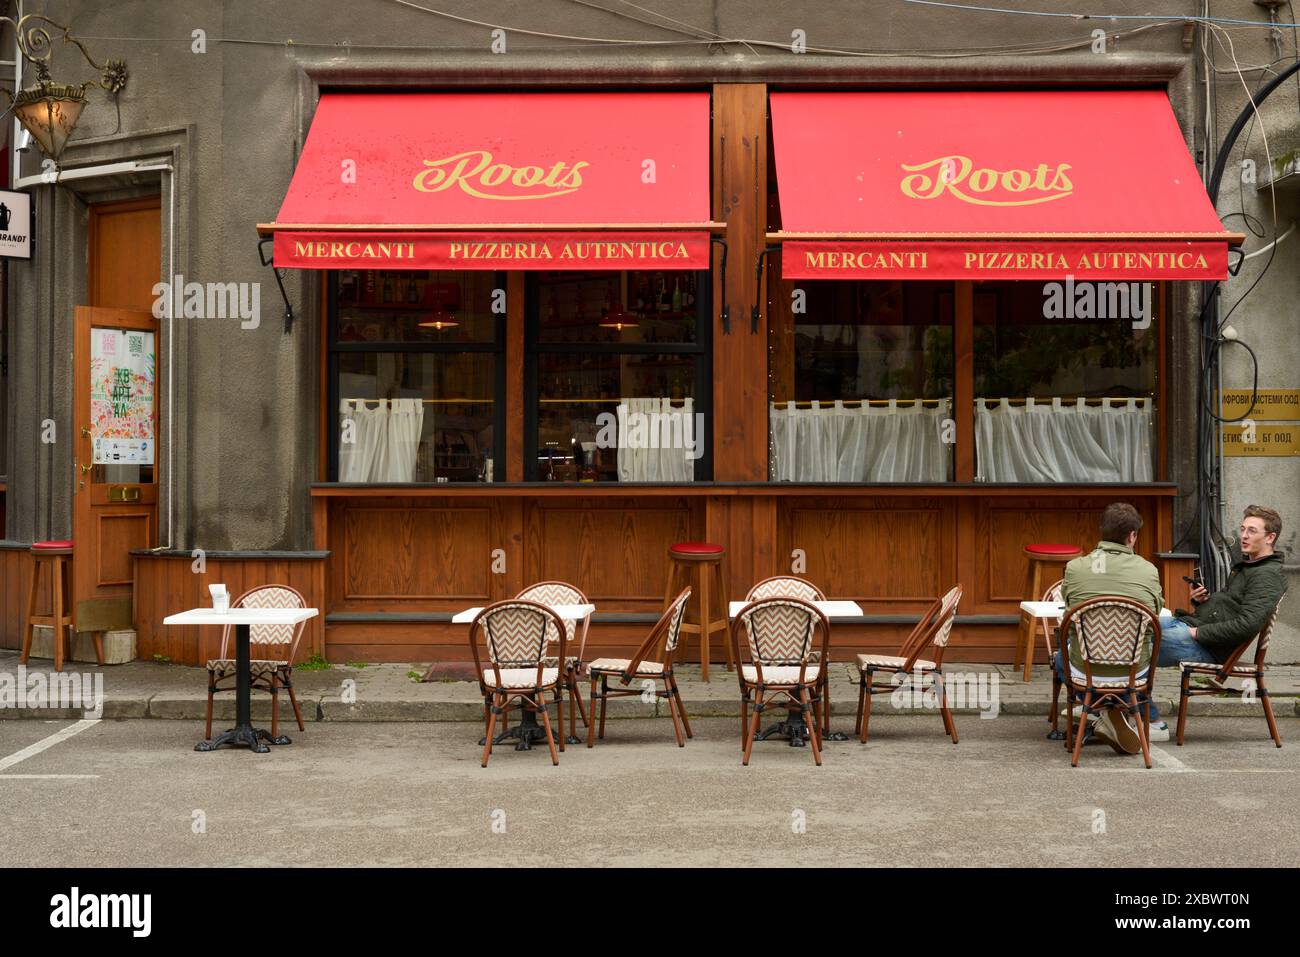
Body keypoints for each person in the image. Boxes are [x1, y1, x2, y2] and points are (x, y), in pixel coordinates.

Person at [1054, 502, 1163, 751]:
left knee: (1061, 657)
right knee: (1146, 645)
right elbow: (1153, 618)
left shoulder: (1075, 568)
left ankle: (1097, 708)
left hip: (1086, 669)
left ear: (1101, 531)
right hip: (1133, 671)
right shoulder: (1148, 571)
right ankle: (1119, 713)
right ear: (1132, 536)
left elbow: (1069, 618)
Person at [1153, 505, 1288, 691]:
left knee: (1137, 640)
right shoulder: (1250, 567)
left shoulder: (1267, 576)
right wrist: (1203, 601)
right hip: (1195, 630)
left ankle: (1136, 707)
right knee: (1138, 621)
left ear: (1270, 537)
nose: (1244, 536)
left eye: (1252, 531)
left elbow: (1247, 624)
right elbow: (1228, 609)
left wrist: (1197, 633)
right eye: (1242, 529)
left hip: (1208, 647)